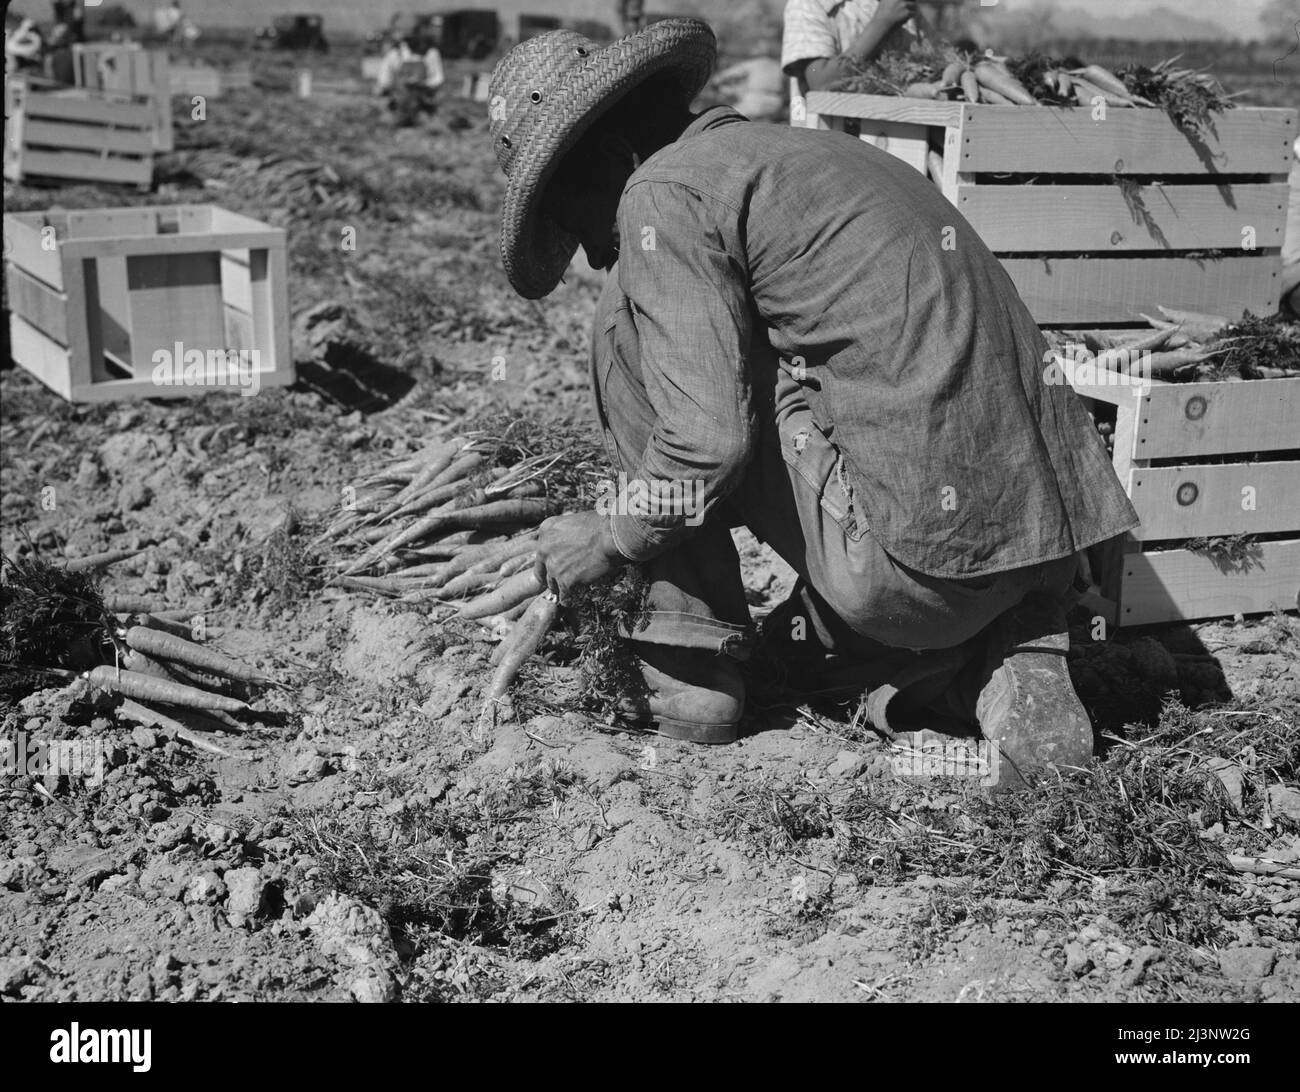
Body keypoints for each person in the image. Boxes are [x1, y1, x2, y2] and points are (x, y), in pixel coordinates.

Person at [484, 21, 1138, 788]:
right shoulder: (803, 153)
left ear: (606, 156)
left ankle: (689, 670)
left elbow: (708, 442)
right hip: (1044, 542)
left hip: (914, 571)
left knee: (622, 329)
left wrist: (611, 534)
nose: (591, 250)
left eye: (571, 215)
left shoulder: (660, 194)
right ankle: (993, 656)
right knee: (792, 657)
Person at [782, 0, 931, 121]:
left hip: (900, 140)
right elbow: (822, 82)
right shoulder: (807, 4)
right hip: (830, 145)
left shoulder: (903, 6)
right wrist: (882, 23)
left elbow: (937, 59)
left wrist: (950, 71)